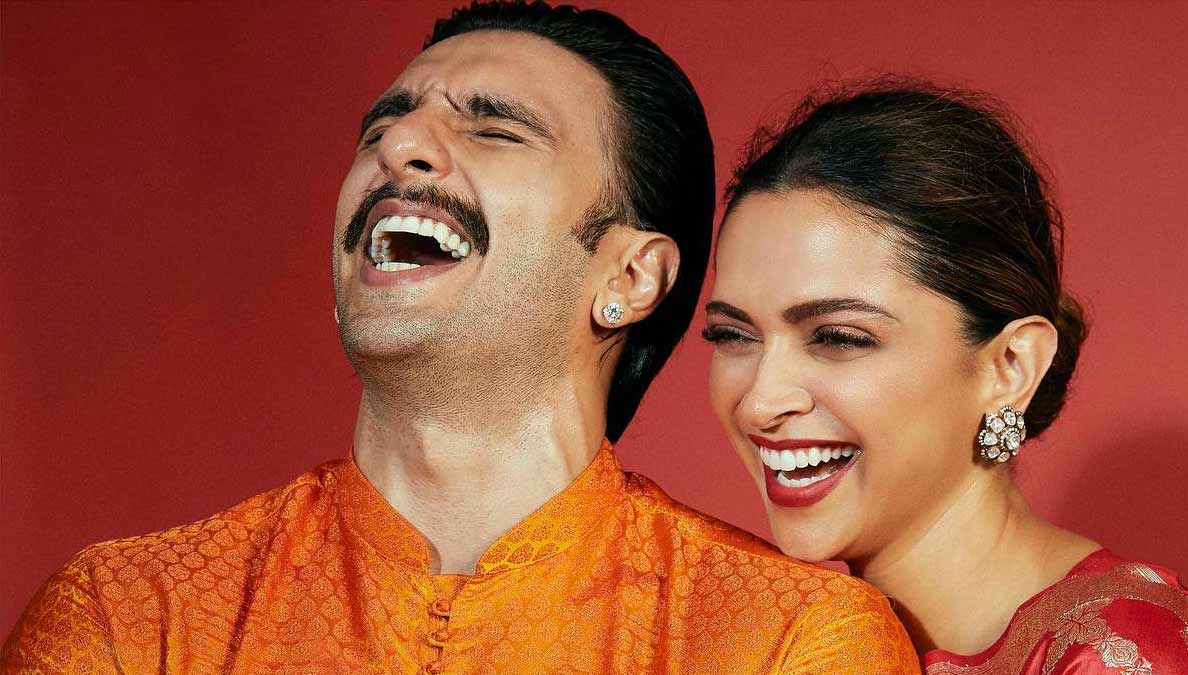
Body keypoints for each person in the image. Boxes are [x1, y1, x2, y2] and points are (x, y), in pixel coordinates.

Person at [3, 4, 920, 673]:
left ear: (628, 279)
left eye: (494, 128)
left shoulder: (784, 638)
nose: (399, 144)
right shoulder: (132, 616)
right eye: (383, 123)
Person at [704, 79, 1188, 672]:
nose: (760, 402)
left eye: (838, 337)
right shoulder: (763, 642)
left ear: (1010, 367)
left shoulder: (1115, 652)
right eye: (733, 335)